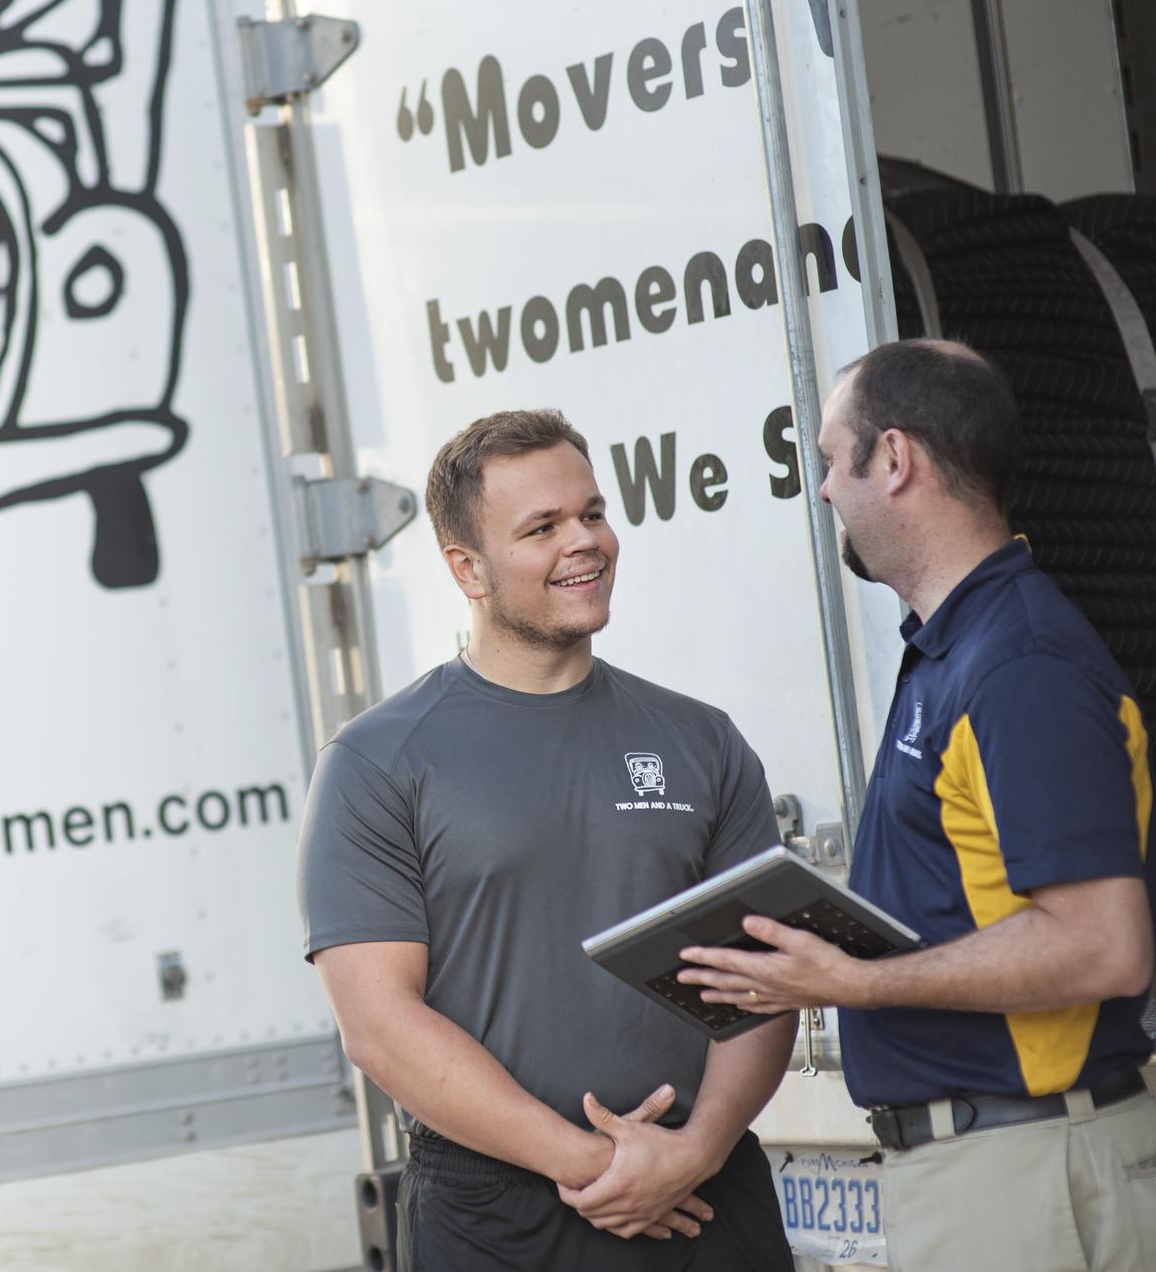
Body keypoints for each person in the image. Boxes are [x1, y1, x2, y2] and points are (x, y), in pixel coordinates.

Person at [678, 339, 1156, 1270]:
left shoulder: (1017, 666)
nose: (821, 490)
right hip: (999, 1172)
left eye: (829, 458)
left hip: (1026, 1176)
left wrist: (849, 982)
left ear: (894, 460)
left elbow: (1105, 942)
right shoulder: (960, 646)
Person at [296, 409, 796, 1271]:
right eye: (541, 528)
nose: (585, 542)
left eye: (592, 513)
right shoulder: (378, 761)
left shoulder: (699, 739)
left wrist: (699, 1147)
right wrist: (595, 1165)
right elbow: (378, 1022)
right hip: (498, 1214)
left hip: (703, 1186)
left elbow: (765, 977)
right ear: (467, 569)